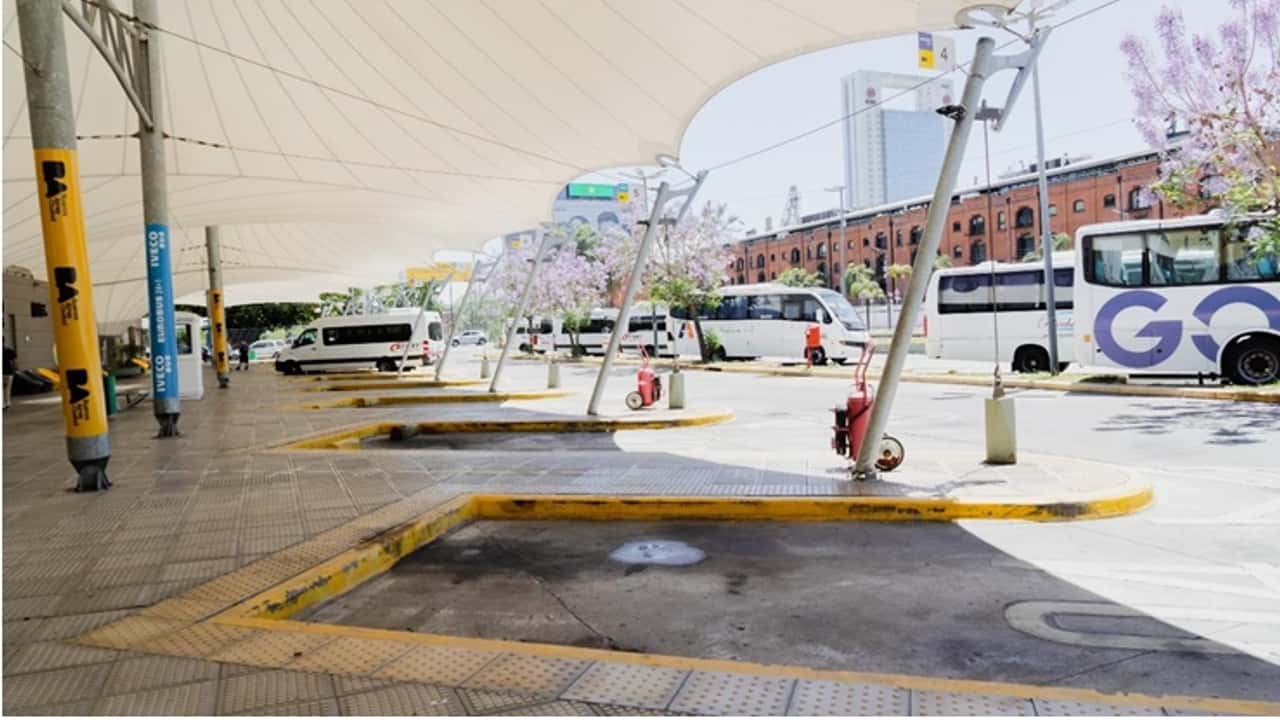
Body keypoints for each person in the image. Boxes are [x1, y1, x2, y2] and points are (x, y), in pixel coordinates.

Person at [3, 344, 15, 409]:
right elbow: (14, 360)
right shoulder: (8, 350)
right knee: (7, 389)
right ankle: (7, 403)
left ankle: (3, 404)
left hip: (4, 373)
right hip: (9, 373)